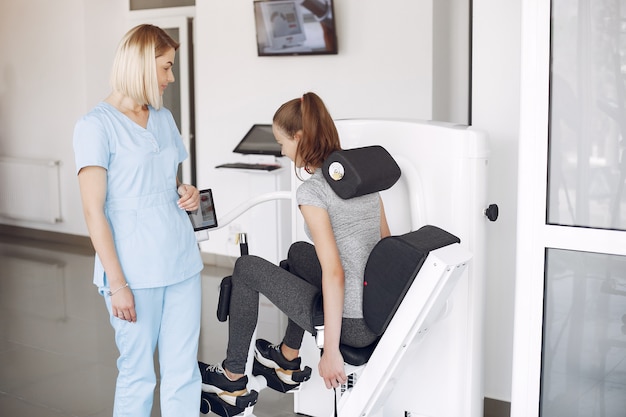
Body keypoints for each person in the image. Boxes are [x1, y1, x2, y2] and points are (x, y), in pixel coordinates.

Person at [199, 92, 390, 405]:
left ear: (299, 137)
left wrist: (330, 352)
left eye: (282, 142)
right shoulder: (362, 178)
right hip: (374, 308)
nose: (282, 151)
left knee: (246, 268)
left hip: (354, 323)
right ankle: (287, 359)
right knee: (300, 252)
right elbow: (385, 244)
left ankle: (231, 381)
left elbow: (335, 273)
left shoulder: (313, 192)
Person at [73, 24, 204, 417]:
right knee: (138, 374)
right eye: (166, 68)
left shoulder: (162, 117)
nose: (171, 77)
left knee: (184, 372)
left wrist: (186, 190)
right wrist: (117, 285)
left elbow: (164, 179)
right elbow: (93, 211)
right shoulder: (95, 126)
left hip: (180, 259)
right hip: (133, 269)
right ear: (142, 66)